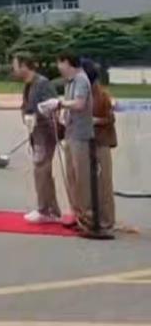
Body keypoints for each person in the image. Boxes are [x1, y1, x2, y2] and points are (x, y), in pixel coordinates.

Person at [42, 52, 95, 234]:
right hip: (71, 133)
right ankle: (76, 213)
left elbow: (79, 104)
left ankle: (87, 216)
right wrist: (59, 112)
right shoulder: (69, 82)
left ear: (67, 63)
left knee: (81, 177)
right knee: (72, 177)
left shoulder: (81, 80)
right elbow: (69, 106)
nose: (59, 68)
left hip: (81, 134)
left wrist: (59, 104)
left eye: (60, 63)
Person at [11, 52, 61, 224]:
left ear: (25, 65)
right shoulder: (29, 85)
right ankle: (52, 209)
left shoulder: (42, 84)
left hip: (45, 132)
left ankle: (44, 209)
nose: (14, 69)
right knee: (42, 171)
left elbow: (53, 107)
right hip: (35, 132)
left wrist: (37, 115)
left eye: (16, 65)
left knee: (41, 169)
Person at [88, 60, 117, 237]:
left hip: (102, 141)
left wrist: (95, 121)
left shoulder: (102, 95)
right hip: (88, 141)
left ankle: (107, 220)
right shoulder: (85, 92)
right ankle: (94, 217)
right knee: (91, 184)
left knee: (104, 183)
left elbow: (110, 118)